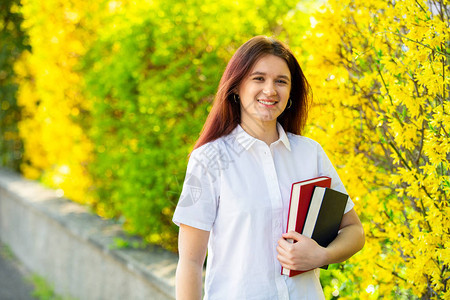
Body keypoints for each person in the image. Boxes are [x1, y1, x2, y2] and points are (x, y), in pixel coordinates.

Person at [172, 36, 365, 300]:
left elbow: (354, 231)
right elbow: (191, 263)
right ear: (236, 87)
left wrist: (323, 254)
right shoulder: (209, 161)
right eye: (258, 78)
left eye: (281, 81)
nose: (270, 90)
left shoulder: (311, 154)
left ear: (290, 92)